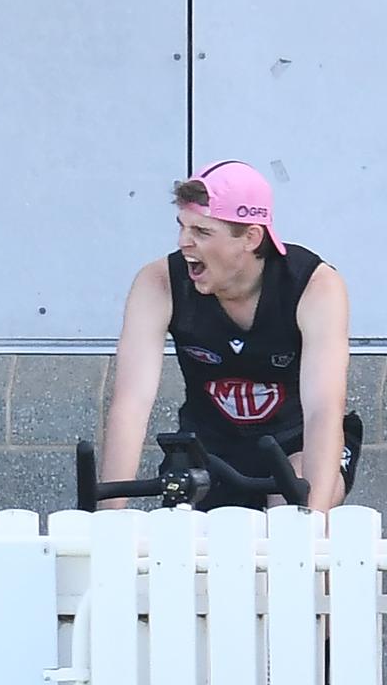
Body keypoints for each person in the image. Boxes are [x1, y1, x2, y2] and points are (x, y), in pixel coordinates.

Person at [100, 160, 359, 512]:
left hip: (295, 443)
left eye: (202, 232)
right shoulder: (159, 282)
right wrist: (108, 519)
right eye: (182, 227)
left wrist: (312, 524)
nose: (184, 242)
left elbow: (324, 411)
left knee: (291, 506)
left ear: (251, 237)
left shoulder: (314, 285)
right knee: (184, 529)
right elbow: (131, 405)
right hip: (209, 447)